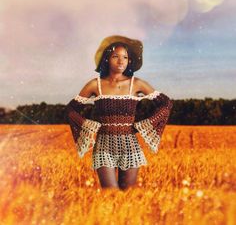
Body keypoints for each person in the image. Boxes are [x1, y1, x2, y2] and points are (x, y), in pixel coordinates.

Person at [65, 35, 173, 191]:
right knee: (110, 193)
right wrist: (88, 125)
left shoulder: (136, 83)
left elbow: (166, 104)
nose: (121, 61)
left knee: (128, 195)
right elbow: (71, 109)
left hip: (130, 146)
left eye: (125, 57)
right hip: (103, 145)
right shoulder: (95, 84)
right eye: (116, 56)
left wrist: (143, 125)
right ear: (107, 59)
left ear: (130, 61)